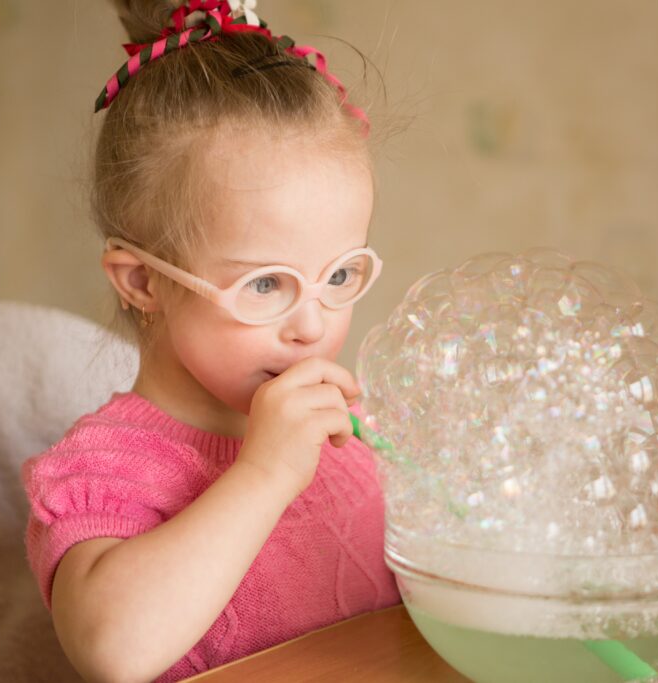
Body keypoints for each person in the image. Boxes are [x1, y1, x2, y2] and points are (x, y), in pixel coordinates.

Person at [20, 2, 400, 681]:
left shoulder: (353, 442)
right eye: (265, 285)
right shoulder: (108, 473)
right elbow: (114, 649)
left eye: (339, 274)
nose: (313, 326)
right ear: (143, 282)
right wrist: (264, 474)